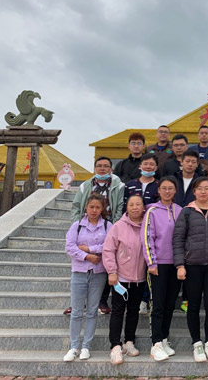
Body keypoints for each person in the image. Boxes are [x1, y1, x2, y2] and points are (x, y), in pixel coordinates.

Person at [173, 177, 208, 363]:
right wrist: (180, 265)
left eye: (206, 188)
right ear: (194, 191)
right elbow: (178, 239)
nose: (203, 191)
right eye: (200, 188)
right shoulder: (187, 212)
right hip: (193, 265)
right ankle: (197, 343)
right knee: (193, 306)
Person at [70, 156, 124, 315]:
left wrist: (114, 228)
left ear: (111, 169)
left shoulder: (118, 186)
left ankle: (101, 300)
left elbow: (119, 207)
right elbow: (76, 206)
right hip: (86, 228)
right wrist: (78, 225)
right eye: (99, 166)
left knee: (105, 265)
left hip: (107, 228)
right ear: (94, 168)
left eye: (106, 166)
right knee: (80, 265)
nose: (102, 169)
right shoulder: (85, 185)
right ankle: (77, 303)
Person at [63, 193, 111, 362]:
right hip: (79, 271)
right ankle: (74, 346)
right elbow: (70, 247)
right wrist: (87, 256)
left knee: (92, 310)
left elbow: (109, 245)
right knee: (77, 312)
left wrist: (90, 249)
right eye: (91, 207)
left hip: (99, 273)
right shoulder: (76, 226)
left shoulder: (107, 225)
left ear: (102, 209)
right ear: (86, 207)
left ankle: (86, 346)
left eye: (98, 207)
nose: (94, 210)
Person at [141, 176, 183, 362]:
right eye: (164, 188)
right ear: (159, 191)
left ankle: (164, 338)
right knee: (157, 304)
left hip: (175, 264)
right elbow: (147, 237)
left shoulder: (180, 210)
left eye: (170, 188)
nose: (167, 191)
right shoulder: (152, 211)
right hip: (158, 265)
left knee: (170, 304)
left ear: (175, 191)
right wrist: (151, 263)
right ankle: (156, 343)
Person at [102, 195, 146, 365]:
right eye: (131, 204)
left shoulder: (147, 225)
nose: (135, 207)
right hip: (120, 277)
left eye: (138, 204)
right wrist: (112, 271)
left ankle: (129, 342)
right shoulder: (118, 226)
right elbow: (108, 250)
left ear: (143, 207)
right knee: (118, 311)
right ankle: (115, 345)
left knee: (134, 311)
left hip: (139, 278)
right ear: (126, 207)